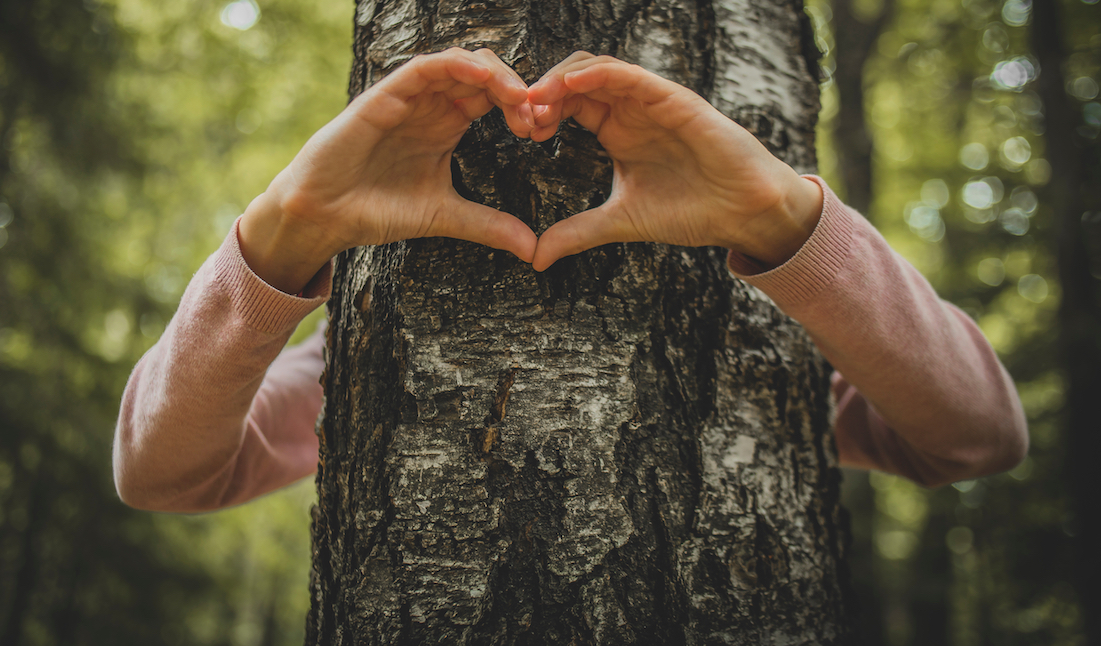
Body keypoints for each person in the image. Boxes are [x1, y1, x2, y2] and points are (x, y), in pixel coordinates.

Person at [112, 48, 1028, 513]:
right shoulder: (353, 370)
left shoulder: (751, 362)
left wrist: (786, 224)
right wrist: (283, 234)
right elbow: (161, 470)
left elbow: (978, 432)